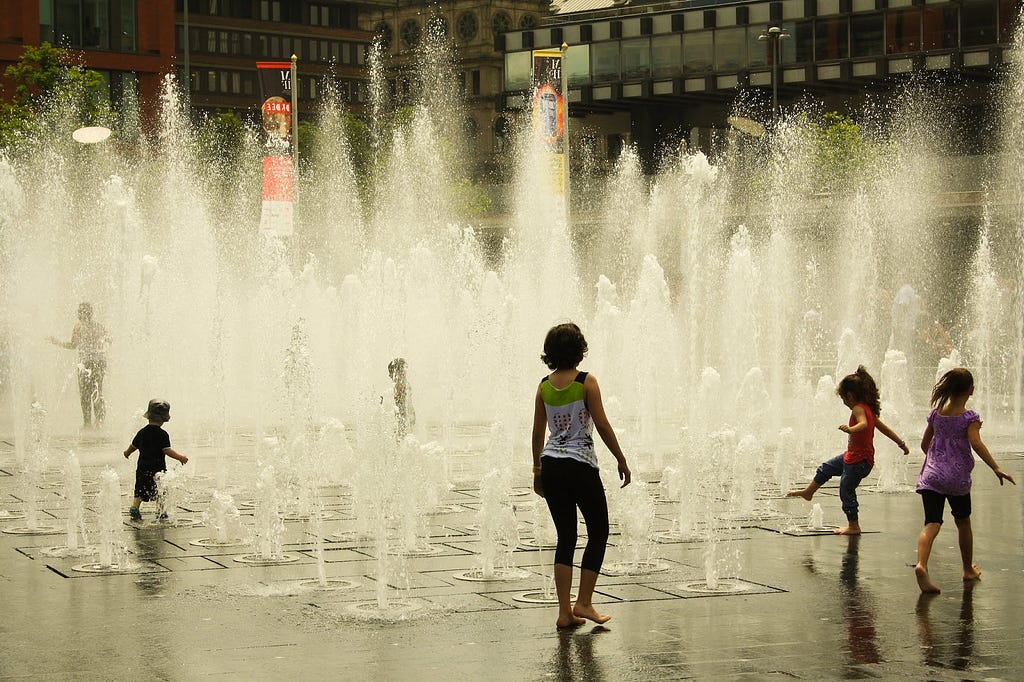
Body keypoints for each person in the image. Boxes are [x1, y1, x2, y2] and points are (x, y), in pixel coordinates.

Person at [531, 322, 631, 629]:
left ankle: (565, 612)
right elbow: (601, 424)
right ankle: (584, 602)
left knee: (566, 537)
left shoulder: (544, 386)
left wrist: (537, 470)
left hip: (552, 466)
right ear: (579, 350)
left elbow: (537, 433)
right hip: (580, 466)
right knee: (598, 530)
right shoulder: (587, 382)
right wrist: (621, 458)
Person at [913, 368, 1015, 593]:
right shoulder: (969, 418)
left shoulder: (936, 414)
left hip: (932, 476)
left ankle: (921, 565)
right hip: (956, 478)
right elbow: (976, 444)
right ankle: (967, 568)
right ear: (971, 390)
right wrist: (996, 468)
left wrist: (936, 460)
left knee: (931, 523)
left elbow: (923, 445)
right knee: (963, 522)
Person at [787, 366, 910, 534]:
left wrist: (851, 429)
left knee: (846, 489)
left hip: (859, 461)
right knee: (826, 468)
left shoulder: (859, 409)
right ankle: (809, 492)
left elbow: (863, 424)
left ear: (850, 396)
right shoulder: (869, 410)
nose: (844, 402)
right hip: (853, 457)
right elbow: (885, 429)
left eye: (843, 398)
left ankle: (854, 526)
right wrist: (901, 443)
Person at [123, 399, 188, 520]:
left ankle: (135, 507)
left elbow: (133, 446)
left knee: (140, 489)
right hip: (157, 469)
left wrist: (127, 453)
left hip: (142, 468)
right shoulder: (162, 434)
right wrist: (180, 457)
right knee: (160, 490)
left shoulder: (142, 432)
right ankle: (161, 511)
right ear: (164, 419)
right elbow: (167, 450)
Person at [48, 302, 110, 428]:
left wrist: (56, 342)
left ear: (80, 313)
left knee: (85, 393)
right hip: (99, 362)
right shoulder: (99, 326)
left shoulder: (78, 327)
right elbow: (109, 340)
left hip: (85, 363)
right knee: (98, 390)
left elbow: (73, 345)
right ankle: (99, 421)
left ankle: (87, 423)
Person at [388, 357, 414, 438]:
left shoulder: (399, 385)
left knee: (400, 440)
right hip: (406, 418)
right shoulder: (406, 384)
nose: (389, 375)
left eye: (390, 372)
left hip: (402, 419)